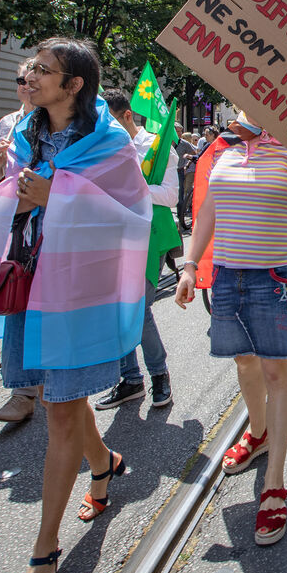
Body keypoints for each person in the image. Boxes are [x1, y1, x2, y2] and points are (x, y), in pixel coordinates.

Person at [0, 38, 150, 573]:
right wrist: (2, 177)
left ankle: (45, 549)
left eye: (43, 70)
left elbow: (131, 217)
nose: (30, 76)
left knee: (60, 408)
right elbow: (8, 191)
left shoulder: (111, 143)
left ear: (74, 85)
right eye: (31, 67)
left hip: (79, 291)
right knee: (62, 400)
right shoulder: (22, 132)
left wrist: (58, 195)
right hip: (31, 281)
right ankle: (104, 465)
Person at [174, 111, 287, 547]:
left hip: (277, 277)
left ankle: (274, 481)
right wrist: (190, 265)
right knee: (243, 362)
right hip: (228, 275)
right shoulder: (225, 143)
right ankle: (258, 432)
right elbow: (209, 209)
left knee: (276, 370)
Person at [91, 89, 179, 411]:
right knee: (117, 310)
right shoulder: (104, 149)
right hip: (113, 238)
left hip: (149, 238)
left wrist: (132, 188)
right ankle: (130, 379)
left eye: (112, 123)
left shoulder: (157, 146)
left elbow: (170, 195)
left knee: (137, 309)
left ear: (127, 115)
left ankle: (159, 374)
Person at [0, 59, 42, 424]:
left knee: (46, 304)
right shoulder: (8, 123)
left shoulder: (61, 121)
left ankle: (50, 385)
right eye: (21, 80)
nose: (25, 86)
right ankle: (22, 392)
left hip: (47, 226)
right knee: (16, 299)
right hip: (15, 228)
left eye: (33, 79)